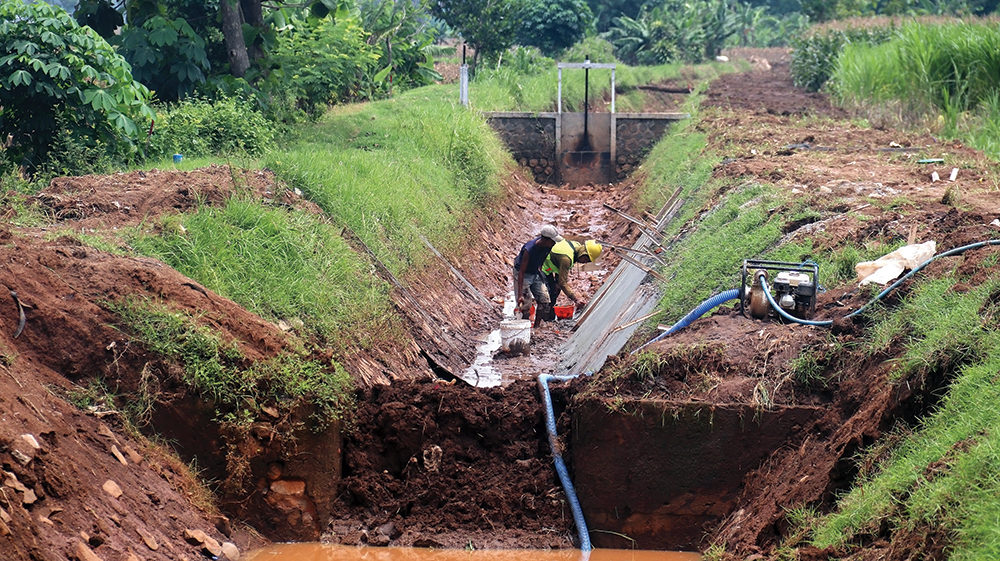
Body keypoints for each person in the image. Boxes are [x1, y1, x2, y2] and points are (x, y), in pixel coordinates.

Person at [513, 225, 563, 328]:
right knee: (525, 306)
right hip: (523, 274)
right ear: (545, 239)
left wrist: (539, 270)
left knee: (545, 301)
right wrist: (520, 294)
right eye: (552, 241)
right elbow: (522, 272)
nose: (554, 243)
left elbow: (543, 259)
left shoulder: (548, 247)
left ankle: (536, 327)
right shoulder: (529, 250)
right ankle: (524, 328)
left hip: (534, 273)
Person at [540, 239, 603, 320]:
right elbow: (563, 283)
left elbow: (560, 270)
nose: (585, 263)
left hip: (553, 263)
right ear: (583, 253)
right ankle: (543, 320)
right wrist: (575, 299)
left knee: (555, 290)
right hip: (542, 266)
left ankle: (550, 317)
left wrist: (557, 283)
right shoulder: (566, 259)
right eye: (586, 260)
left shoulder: (576, 245)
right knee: (547, 295)